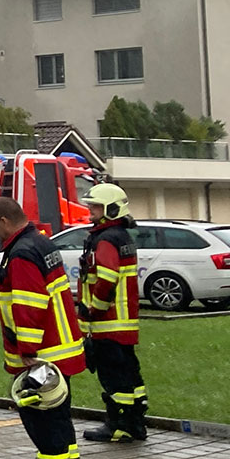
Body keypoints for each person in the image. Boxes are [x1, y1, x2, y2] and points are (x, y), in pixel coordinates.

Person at [0, 196, 87, 459]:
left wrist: (27, 352)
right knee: (58, 418)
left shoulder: (21, 254)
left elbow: (30, 305)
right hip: (60, 350)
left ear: (4, 221)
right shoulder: (40, 244)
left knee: (42, 420)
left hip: (41, 355)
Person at [78, 183, 146, 443]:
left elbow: (106, 278)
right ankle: (136, 423)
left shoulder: (105, 239)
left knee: (114, 377)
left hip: (109, 322)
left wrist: (94, 310)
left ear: (110, 209)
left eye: (95, 206)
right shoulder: (121, 236)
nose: (90, 210)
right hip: (124, 322)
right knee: (130, 376)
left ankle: (119, 427)